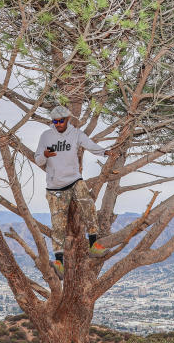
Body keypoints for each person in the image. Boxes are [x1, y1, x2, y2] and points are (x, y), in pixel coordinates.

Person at [34, 105, 112, 279]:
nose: (58, 124)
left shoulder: (75, 134)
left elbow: (89, 145)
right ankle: (59, 261)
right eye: (55, 121)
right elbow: (38, 159)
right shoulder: (46, 136)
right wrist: (45, 155)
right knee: (58, 223)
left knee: (89, 206)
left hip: (74, 180)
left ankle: (93, 243)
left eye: (61, 121)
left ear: (67, 120)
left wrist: (105, 152)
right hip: (55, 186)